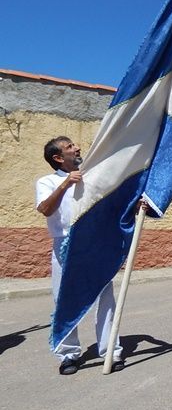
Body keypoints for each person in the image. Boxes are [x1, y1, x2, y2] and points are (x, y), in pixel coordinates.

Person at [35, 136, 123, 375]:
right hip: (65, 245)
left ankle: (110, 350)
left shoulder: (92, 177)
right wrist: (65, 184)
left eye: (74, 145)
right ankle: (68, 354)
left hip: (94, 243)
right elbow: (45, 209)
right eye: (70, 147)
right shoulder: (47, 181)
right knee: (63, 298)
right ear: (58, 158)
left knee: (105, 297)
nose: (77, 148)